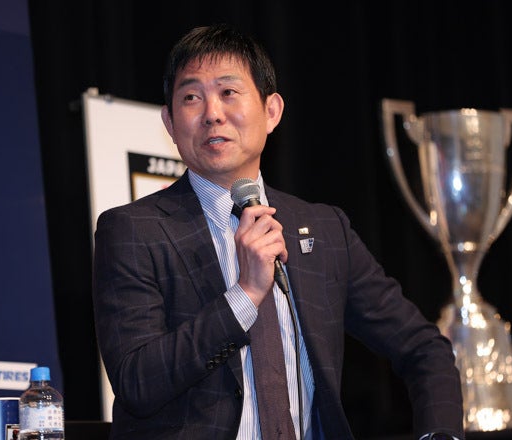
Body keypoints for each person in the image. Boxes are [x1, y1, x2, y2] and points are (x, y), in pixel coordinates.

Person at [92, 23, 464, 440]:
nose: (212, 113)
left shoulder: (324, 229)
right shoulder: (133, 231)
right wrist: (245, 294)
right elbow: (138, 382)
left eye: (228, 92)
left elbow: (423, 348)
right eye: (191, 97)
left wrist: (440, 435)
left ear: (272, 111)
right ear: (170, 122)